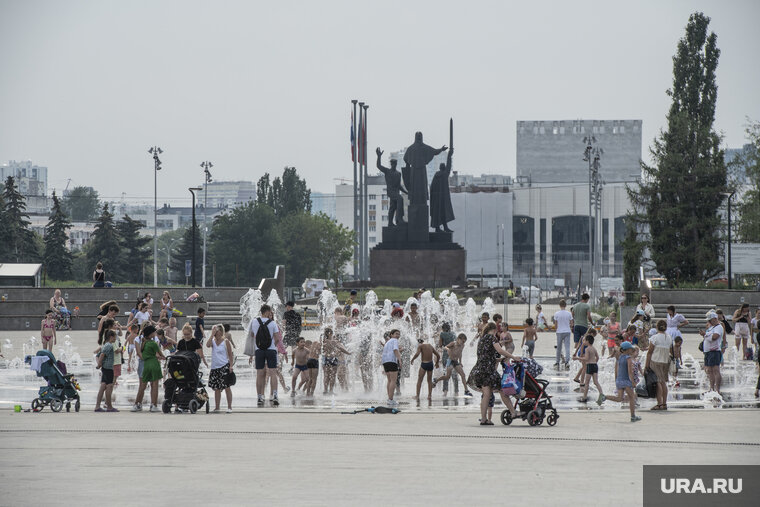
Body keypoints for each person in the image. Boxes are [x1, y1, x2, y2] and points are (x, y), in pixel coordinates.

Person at [467, 322, 521, 425]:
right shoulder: (492, 338)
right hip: (489, 371)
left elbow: (485, 356)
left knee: (486, 395)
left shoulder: (481, 339)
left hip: (479, 369)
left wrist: (498, 360)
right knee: (502, 390)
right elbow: (500, 350)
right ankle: (513, 412)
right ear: (495, 330)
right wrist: (513, 357)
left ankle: (483, 419)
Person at [246, 304, 283, 406]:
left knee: (260, 374)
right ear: (267, 312)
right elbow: (277, 338)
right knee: (273, 373)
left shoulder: (254, 322)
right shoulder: (272, 323)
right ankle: (275, 395)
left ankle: (260, 397)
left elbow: (252, 335)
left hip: (259, 350)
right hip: (271, 350)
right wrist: (272, 345)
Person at [600, 342, 640, 422]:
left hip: (619, 380)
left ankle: (604, 397)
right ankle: (633, 416)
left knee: (619, 398)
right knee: (632, 398)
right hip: (626, 380)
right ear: (627, 350)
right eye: (631, 349)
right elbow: (630, 371)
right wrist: (633, 382)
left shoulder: (619, 358)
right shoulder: (628, 358)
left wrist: (616, 380)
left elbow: (617, 370)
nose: (632, 350)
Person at [131, 325, 165, 412]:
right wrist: (150, 358)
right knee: (150, 385)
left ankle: (139, 404)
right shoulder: (140, 339)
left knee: (145, 385)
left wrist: (147, 358)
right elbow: (156, 353)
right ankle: (151, 405)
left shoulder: (150, 340)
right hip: (148, 362)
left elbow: (140, 353)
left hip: (145, 362)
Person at [375, 147, 408, 226]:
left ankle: (390, 222)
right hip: (391, 192)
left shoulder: (398, 174)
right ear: (391, 164)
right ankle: (399, 219)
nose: (393, 165)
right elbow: (378, 166)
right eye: (392, 164)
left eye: (395, 164)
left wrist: (406, 192)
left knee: (393, 207)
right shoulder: (387, 171)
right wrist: (379, 156)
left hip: (395, 192)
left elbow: (399, 186)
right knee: (400, 199)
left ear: (396, 164)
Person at [646, 319, 673, 411]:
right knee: (663, 382)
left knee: (658, 383)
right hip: (665, 362)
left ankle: (659, 404)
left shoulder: (654, 338)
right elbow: (671, 351)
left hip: (655, 361)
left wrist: (646, 365)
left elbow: (649, 352)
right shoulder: (669, 337)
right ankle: (664, 403)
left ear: (657, 327)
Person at [206, 324, 234, 413]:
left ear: (221, 331)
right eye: (213, 330)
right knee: (216, 388)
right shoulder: (213, 341)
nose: (214, 332)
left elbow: (230, 354)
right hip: (215, 367)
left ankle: (230, 407)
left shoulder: (226, 341)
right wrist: (211, 335)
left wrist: (231, 365)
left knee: (227, 387)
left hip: (224, 366)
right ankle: (217, 407)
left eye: (216, 330)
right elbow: (207, 345)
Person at [94, 329, 118, 412]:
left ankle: (97, 406)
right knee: (109, 386)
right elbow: (102, 355)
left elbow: (97, 355)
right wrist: (99, 364)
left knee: (103, 386)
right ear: (111, 337)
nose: (115, 339)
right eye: (115, 337)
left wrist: (99, 365)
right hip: (108, 368)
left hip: (105, 368)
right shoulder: (109, 345)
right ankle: (109, 407)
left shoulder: (105, 345)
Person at [700, 311, 724, 394]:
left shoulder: (718, 327)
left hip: (714, 351)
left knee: (715, 370)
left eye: (710, 320)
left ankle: (717, 389)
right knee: (709, 371)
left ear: (715, 319)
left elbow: (715, 337)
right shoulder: (711, 327)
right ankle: (711, 388)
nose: (708, 322)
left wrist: (705, 335)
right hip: (708, 352)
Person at [321, 327, 351, 395]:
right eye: (332, 333)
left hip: (325, 358)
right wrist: (348, 353)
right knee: (332, 375)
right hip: (332, 358)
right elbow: (340, 348)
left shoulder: (323, 341)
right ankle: (331, 391)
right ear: (330, 334)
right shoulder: (333, 341)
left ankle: (325, 390)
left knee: (326, 375)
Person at [580, 334, 605, 405]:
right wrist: (594, 362)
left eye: (585, 340)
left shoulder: (587, 349)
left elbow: (586, 358)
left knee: (586, 383)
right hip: (595, 365)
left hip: (589, 366)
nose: (584, 342)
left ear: (587, 341)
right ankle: (601, 394)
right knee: (596, 382)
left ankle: (584, 397)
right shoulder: (594, 348)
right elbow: (597, 357)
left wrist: (577, 358)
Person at [381, 329, 402, 406]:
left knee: (389, 380)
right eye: (396, 334)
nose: (398, 336)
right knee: (393, 380)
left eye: (399, 334)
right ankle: (390, 399)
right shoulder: (394, 340)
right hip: (392, 361)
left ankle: (389, 398)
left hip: (385, 362)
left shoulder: (387, 342)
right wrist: (399, 360)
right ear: (391, 334)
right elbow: (396, 350)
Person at [436, 322, 459, 395]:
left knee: (446, 372)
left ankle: (445, 391)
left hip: (446, 355)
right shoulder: (454, 334)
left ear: (443, 328)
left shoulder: (442, 334)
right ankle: (456, 391)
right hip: (454, 355)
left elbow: (440, 345)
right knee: (454, 373)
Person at [553, 300, 573, 368]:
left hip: (559, 331)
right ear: (565, 305)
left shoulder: (556, 314)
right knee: (567, 347)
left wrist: (557, 330)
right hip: (567, 331)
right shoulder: (569, 314)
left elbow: (555, 325)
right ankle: (567, 362)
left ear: (559, 305)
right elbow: (571, 323)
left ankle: (557, 362)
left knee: (559, 347)